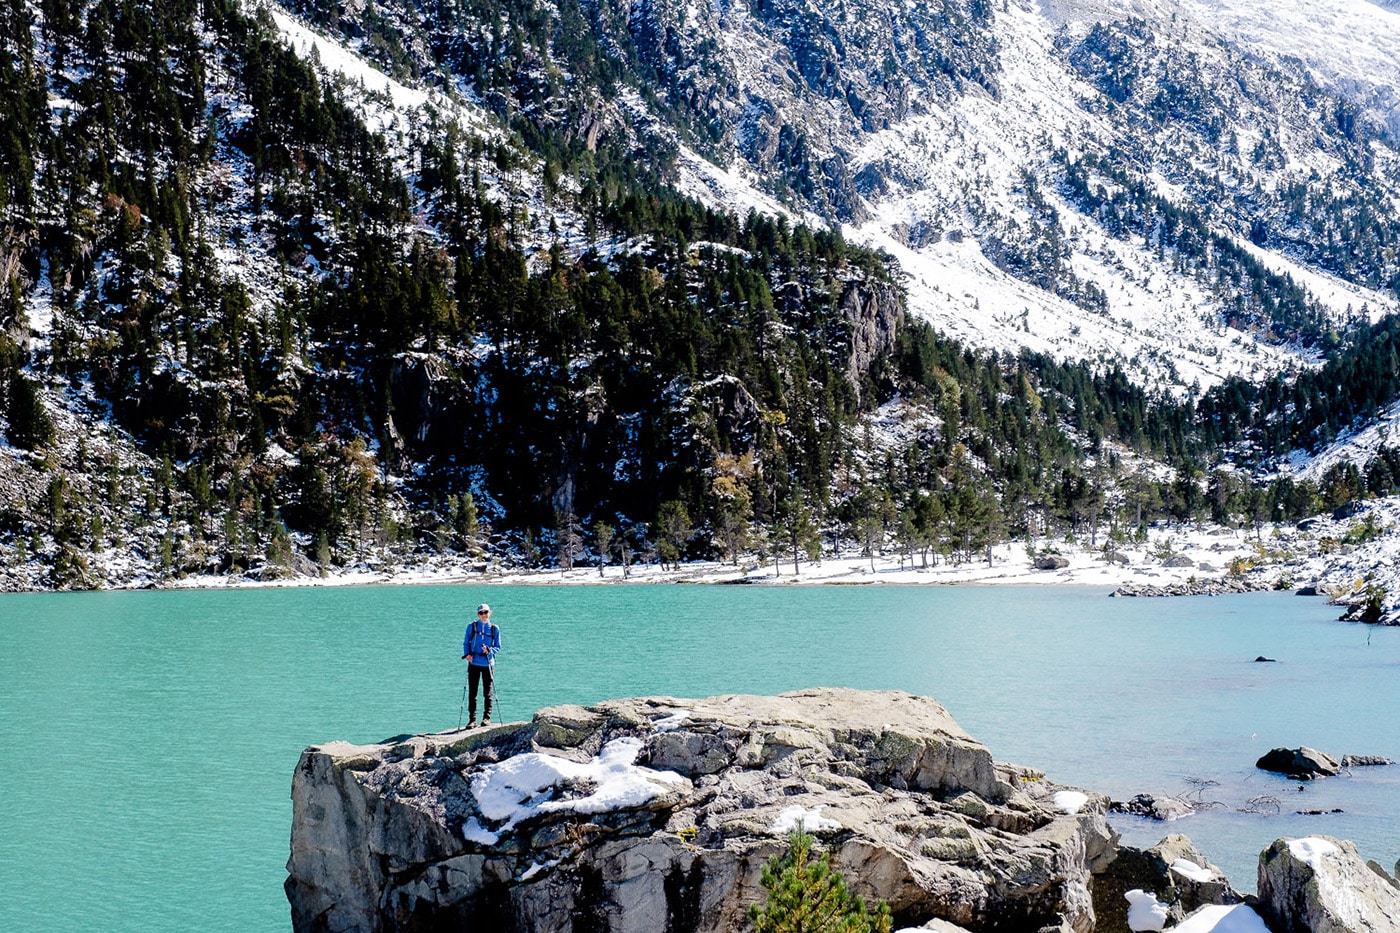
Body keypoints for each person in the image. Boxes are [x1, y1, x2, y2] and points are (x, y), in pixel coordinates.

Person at [462, 603, 501, 727]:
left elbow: (498, 647)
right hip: (474, 662)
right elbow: (466, 642)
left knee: (487, 692)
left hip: (488, 663)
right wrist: (467, 654)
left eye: (486, 612)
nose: (484, 615)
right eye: (481, 613)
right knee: (472, 692)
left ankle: (486, 718)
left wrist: (489, 651)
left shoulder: (495, 629)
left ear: (490, 613)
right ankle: (472, 720)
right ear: (478, 614)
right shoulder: (471, 626)